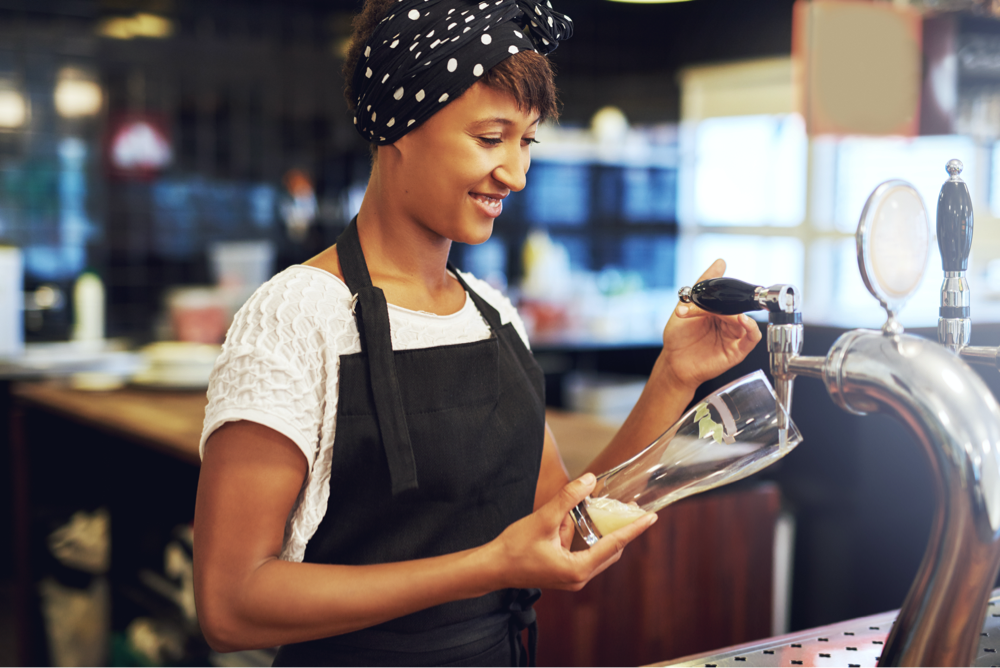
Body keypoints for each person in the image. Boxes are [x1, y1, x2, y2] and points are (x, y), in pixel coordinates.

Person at [192, 0, 762, 665]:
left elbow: (569, 520)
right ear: (398, 128)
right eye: (491, 139)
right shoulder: (295, 320)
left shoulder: (491, 312)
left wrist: (674, 377)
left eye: (526, 142)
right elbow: (231, 604)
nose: (516, 175)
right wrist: (489, 565)